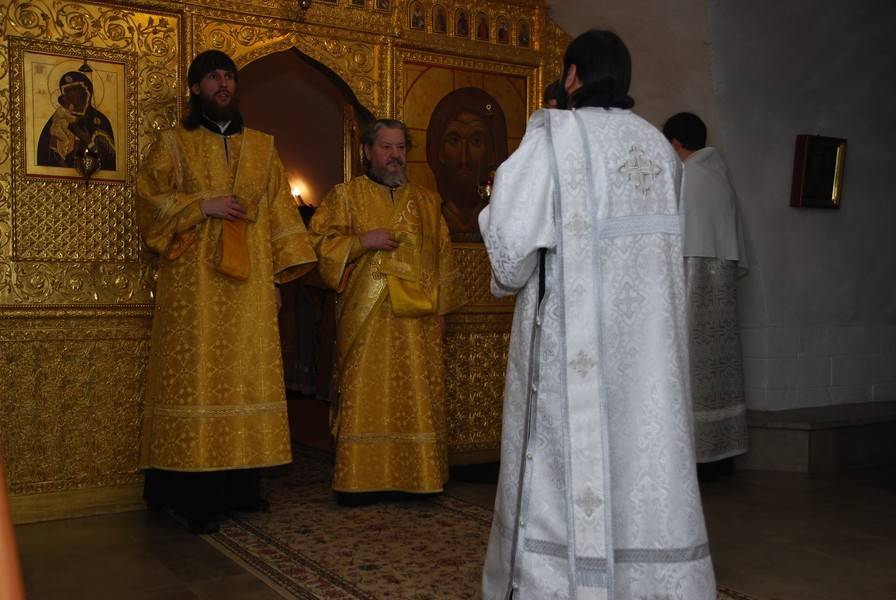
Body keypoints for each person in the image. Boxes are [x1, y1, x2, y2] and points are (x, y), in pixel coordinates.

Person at [480, 30, 716, 598]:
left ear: (573, 75)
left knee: (565, 467)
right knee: (644, 458)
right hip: (650, 358)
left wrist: (491, 218)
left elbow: (510, 255)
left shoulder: (555, 138)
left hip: (573, 356)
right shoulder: (659, 148)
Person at [136, 50, 317, 534]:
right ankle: (192, 496)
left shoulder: (262, 147)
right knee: (198, 380)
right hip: (192, 291)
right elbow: (148, 200)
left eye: (229, 77)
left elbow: (280, 213)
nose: (223, 84)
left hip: (250, 287)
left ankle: (241, 489)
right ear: (196, 88)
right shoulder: (174, 143)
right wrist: (203, 205)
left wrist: (276, 281)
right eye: (213, 77)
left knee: (246, 378)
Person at [308, 119, 465, 504]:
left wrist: (442, 312)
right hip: (367, 319)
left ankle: (418, 477)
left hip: (417, 321)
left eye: (400, 148)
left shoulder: (426, 201)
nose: (395, 156)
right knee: (366, 393)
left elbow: (442, 256)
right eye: (386, 147)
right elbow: (318, 243)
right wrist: (362, 241)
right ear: (367, 151)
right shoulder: (346, 196)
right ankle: (360, 480)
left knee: (414, 394)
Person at [663, 111, 749, 480]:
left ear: (676, 143)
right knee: (719, 366)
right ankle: (721, 455)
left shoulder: (687, 177)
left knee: (689, 363)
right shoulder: (719, 176)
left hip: (691, 278)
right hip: (721, 283)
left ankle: (693, 457)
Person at [426, 87, 508, 242]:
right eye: (454, 140)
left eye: (476, 141)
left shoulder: (504, 224)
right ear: (440, 153)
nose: (464, 159)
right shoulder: (427, 221)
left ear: (492, 154)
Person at [36, 70, 116, 170]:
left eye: (75, 89)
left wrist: (87, 141)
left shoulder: (100, 119)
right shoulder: (58, 118)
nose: (71, 94)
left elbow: (111, 157)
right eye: (67, 91)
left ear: (86, 91)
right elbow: (45, 155)